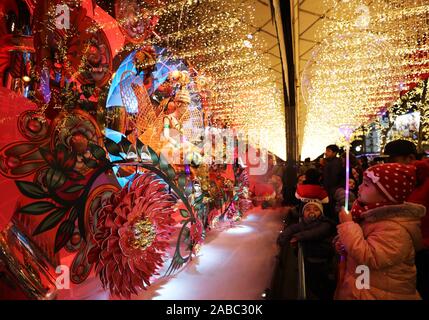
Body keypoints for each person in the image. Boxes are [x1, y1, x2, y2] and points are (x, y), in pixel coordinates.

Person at [334, 163, 426, 300]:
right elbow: (360, 245)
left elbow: (369, 256)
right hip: (364, 286)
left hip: (380, 293)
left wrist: (348, 225)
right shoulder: (370, 216)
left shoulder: (394, 228)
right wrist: (345, 245)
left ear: (386, 195)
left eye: (366, 184)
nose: (359, 187)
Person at [383, 139, 429, 300]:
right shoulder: (399, 179)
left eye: (391, 160)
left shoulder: (424, 180)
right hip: (405, 247)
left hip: (423, 248)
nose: (388, 164)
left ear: (410, 158)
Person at [278, 201, 336, 299]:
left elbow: (315, 233)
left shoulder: (325, 223)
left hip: (323, 260)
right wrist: (283, 238)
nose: (312, 212)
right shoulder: (303, 224)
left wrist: (297, 236)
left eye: (316, 209)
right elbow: (292, 229)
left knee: (324, 284)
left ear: (321, 213)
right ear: (303, 213)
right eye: (308, 209)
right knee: (311, 283)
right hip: (309, 260)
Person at [322, 144, 343, 218]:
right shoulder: (330, 162)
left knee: (331, 210)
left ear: (334, 153)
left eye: (328, 151)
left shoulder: (335, 163)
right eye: (326, 150)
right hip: (330, 190)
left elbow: (333, 178)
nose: (326, 153)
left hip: (332, 191)